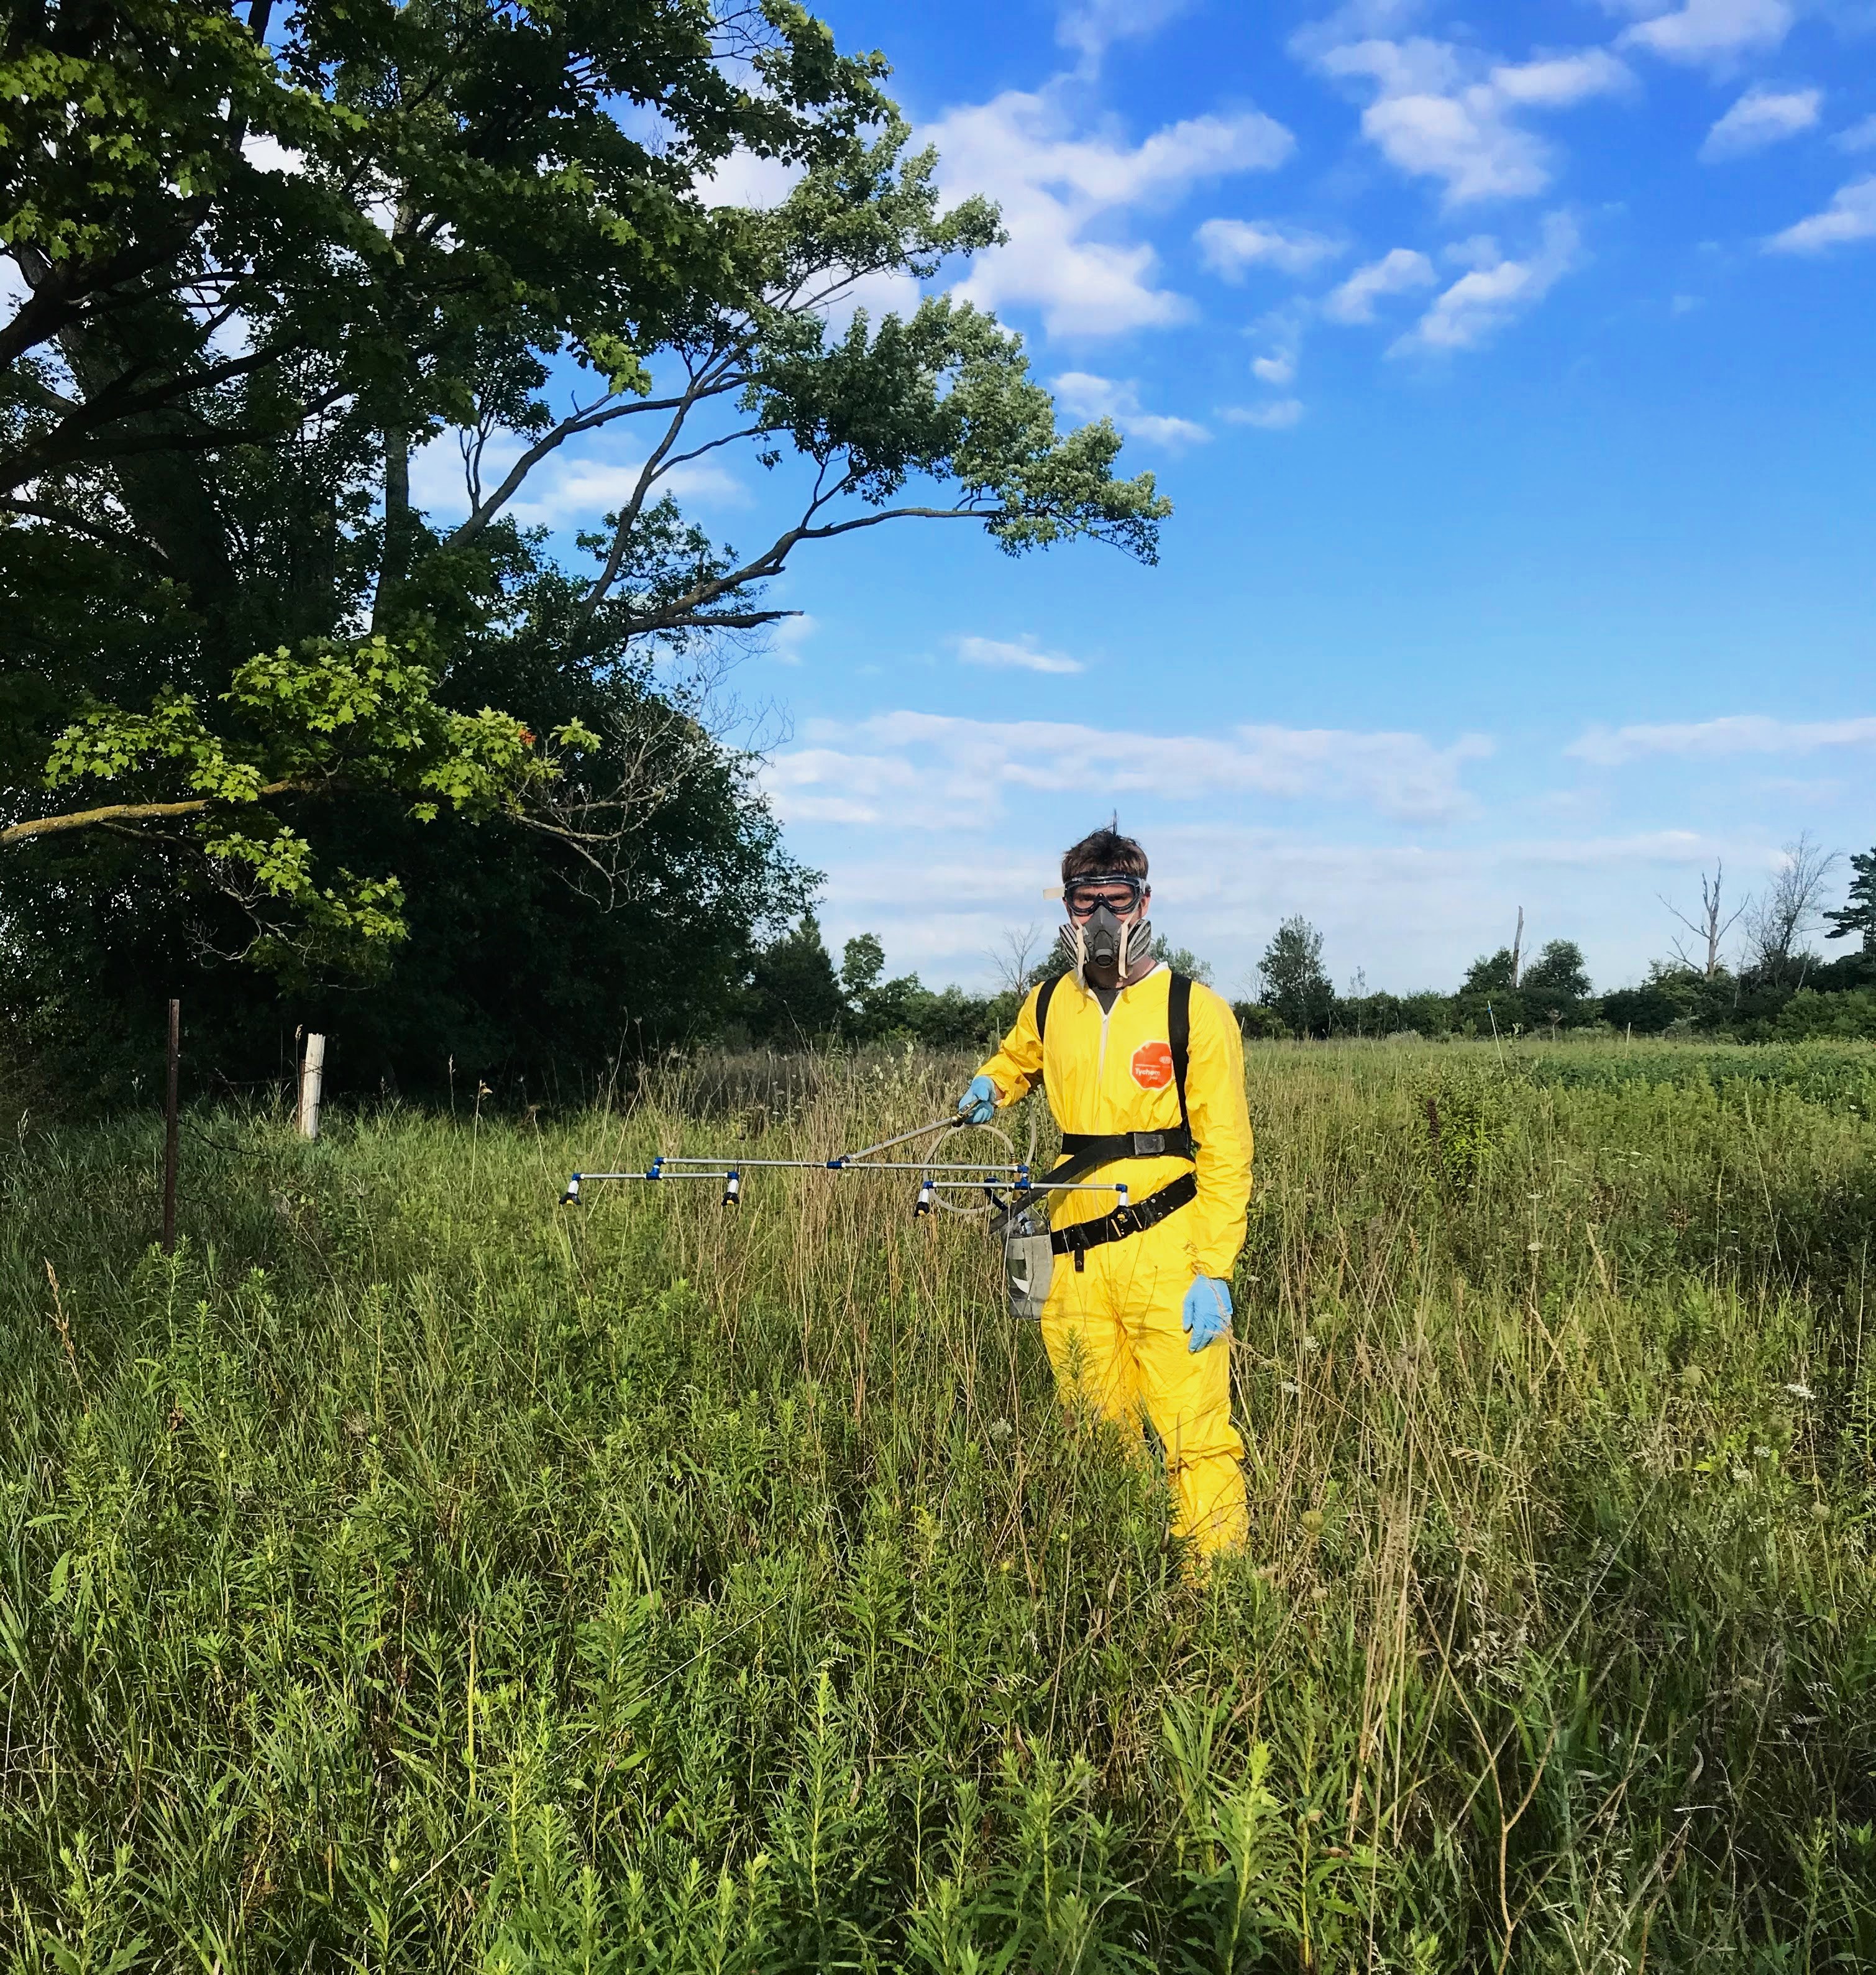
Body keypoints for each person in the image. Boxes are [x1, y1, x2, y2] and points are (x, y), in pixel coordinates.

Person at [956, 827, 1253, 1557]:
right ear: (1066, 906)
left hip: (1168, 1250)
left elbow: (1227, 1151)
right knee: (1092, 1427)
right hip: (1070, 1251)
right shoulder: (1052, 1001)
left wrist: (1213, 1269)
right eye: (1083, 901)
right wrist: (992, 1084)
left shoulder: (1194, 1009)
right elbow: (1019, 1057)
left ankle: (1213, 1598)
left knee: (1194, 1434)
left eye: (1115, 901)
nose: (1099, 921)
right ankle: (1124, 1579)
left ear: (1143, 904)